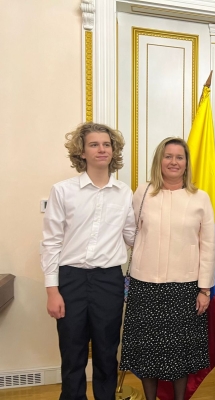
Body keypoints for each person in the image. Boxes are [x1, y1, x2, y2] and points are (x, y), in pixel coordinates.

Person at [41, 122, 136, 400]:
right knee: (73, 352)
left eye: (106, 144)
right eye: (94, 144)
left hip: (109, 280)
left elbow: (133, 236)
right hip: (70, 280)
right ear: (82, 152)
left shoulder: (124, 193)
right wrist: (52, 290)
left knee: (107, 351)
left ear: (113, 150)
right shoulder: (62, 191)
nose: (101, 149)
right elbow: (51, 242)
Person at [119, 137, 215, 400]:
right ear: (159, 161)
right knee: (147, 352)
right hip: (144, 284)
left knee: (179, 353)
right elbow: (131, 233)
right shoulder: (143, 193)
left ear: (186, 164)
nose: (174, 162)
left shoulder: (200, 198)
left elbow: (208, 246)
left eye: (179, 157)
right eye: (168, 156)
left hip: (184, 287)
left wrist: (204, 289)